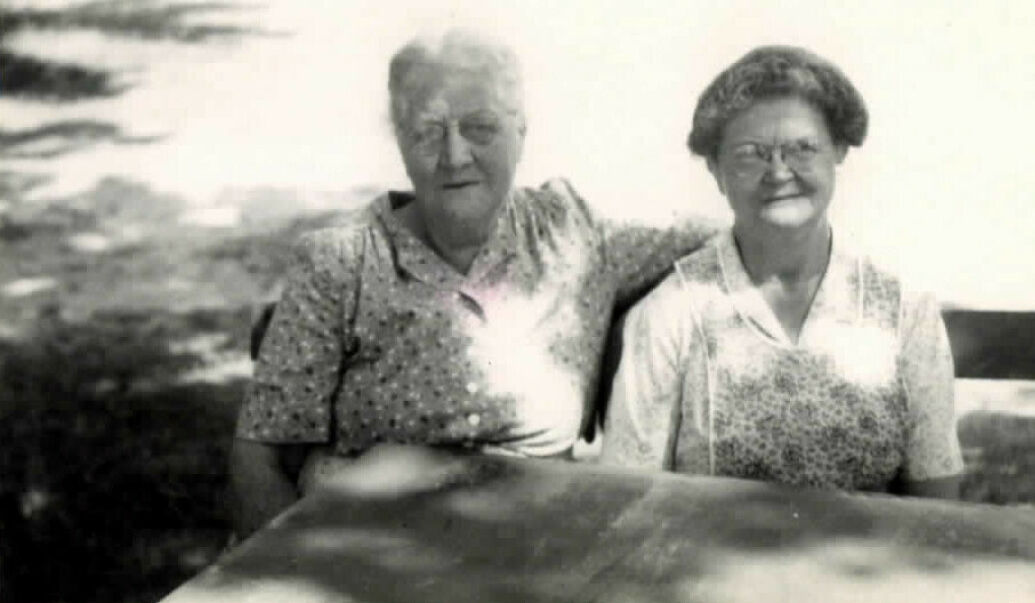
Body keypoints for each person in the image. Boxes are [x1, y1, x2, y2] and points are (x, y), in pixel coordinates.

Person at [229, 29, 715, 538]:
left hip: (529, 549)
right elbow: (257, 458)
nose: (455, 155)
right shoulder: (339, 261)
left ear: (521, 131)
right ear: (400, 140)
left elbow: (738, 234)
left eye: (480, 128)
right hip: (365, 549)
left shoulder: (572, 235)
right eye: (428, 131)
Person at [599, 45, 963, 499]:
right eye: (751, 154)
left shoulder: (904, 312)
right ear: (716, 169)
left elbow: (937, 502)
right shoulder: (673, 314)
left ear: (839, 152)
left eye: (802, 148)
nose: (778, 172)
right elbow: (626, 500)